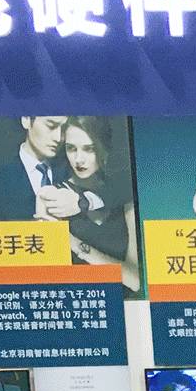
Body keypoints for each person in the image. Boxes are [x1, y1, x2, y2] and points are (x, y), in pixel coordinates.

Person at [58, 116, 139, 288]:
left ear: (105, 149)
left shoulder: (124, 196)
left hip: (125, 301)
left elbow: (136, 281)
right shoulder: (57, 197)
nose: (78, 159)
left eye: (89, 149)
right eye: (71, 148)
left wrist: (78, 247)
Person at [0, 115, 71, 222]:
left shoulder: (71, 170)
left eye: (64, 128)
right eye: (51, 126)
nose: (58, 138)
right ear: (26, 120)